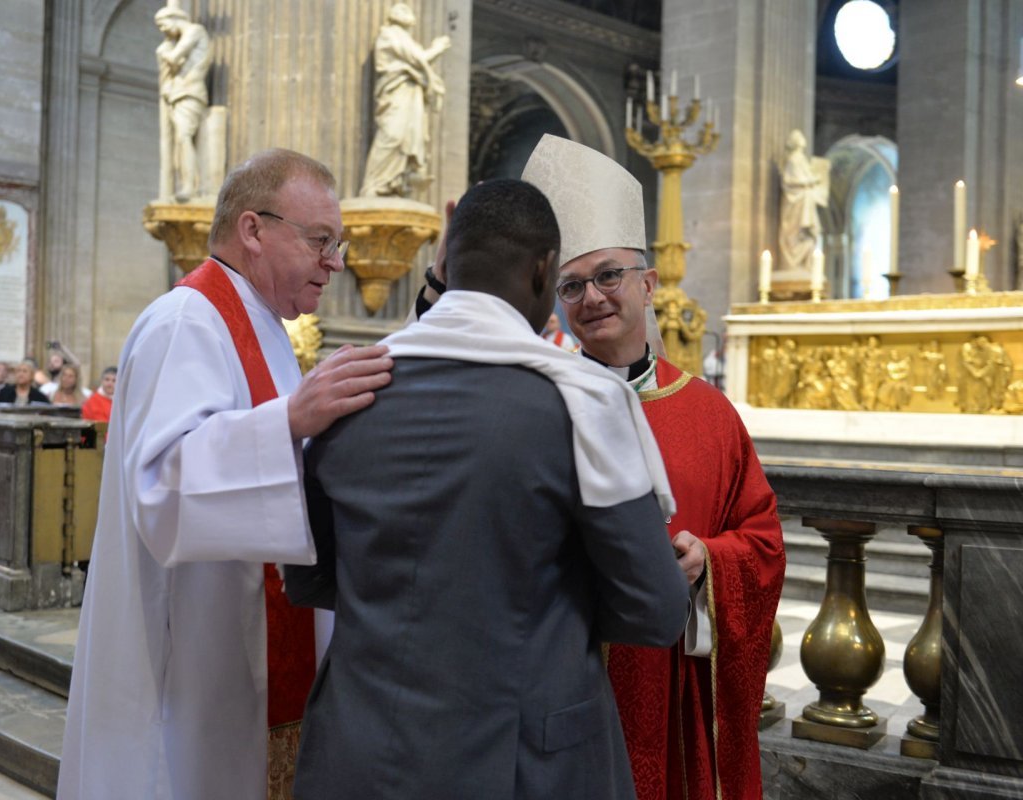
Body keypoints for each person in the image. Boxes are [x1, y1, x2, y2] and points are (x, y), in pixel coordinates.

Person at [286, 179, 688, 800]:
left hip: (360, 749)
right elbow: (656, 610)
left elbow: (309, 578)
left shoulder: (346, 390)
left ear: (448, 265)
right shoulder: (581, 402)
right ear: (542, 272)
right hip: (523, 759)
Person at [58, 148, 394, 800]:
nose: (336, 263)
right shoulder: (186, 321)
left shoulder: (264, 325)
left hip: (247, 660)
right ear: (252, 229)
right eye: (321, 240)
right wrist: (291, 419)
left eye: (340, 244)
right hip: (191, 671)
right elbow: (162, 487)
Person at [523, 134, 785, 800]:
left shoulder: (708, 413)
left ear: (648, 282)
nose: (592, 298)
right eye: (572, 285)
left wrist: (709, 560)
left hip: (674, 681)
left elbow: (761, 539)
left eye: (609, 275)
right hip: (569, 679)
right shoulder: (538, 404)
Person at [359, 3, 451, 197]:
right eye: (400, 9)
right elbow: (419, 59)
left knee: (409, 136)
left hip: (411, 94)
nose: (406, 12)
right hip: (396, 93)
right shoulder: (389, 35)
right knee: (392, 135)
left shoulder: (408, 40)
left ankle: (397, 183)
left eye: (407, 10)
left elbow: (417, 60)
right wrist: (437, 48)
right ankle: (374, 183)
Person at [155, 5, 210, 201]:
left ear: (174, 17)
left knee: (184, 137)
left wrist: (163, 50)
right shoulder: (186, 35)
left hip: (190, 92)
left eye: (163, 25)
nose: (163, 30)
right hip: (179, 93)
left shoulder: (195, 31)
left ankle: (191, 186)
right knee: (180, 140)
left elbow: (173, 57)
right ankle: (186, 184)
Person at [778, 129, 826, 274]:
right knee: (793, 231)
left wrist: (813, 181)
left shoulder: (801, 158)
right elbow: (790, 180)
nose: (802, 138)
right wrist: (811, 181)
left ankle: (803, 263)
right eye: (799, 136)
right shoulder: (793, 159)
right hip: (796, 200)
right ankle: (792, 260)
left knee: (808, 235)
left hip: (804, 199)